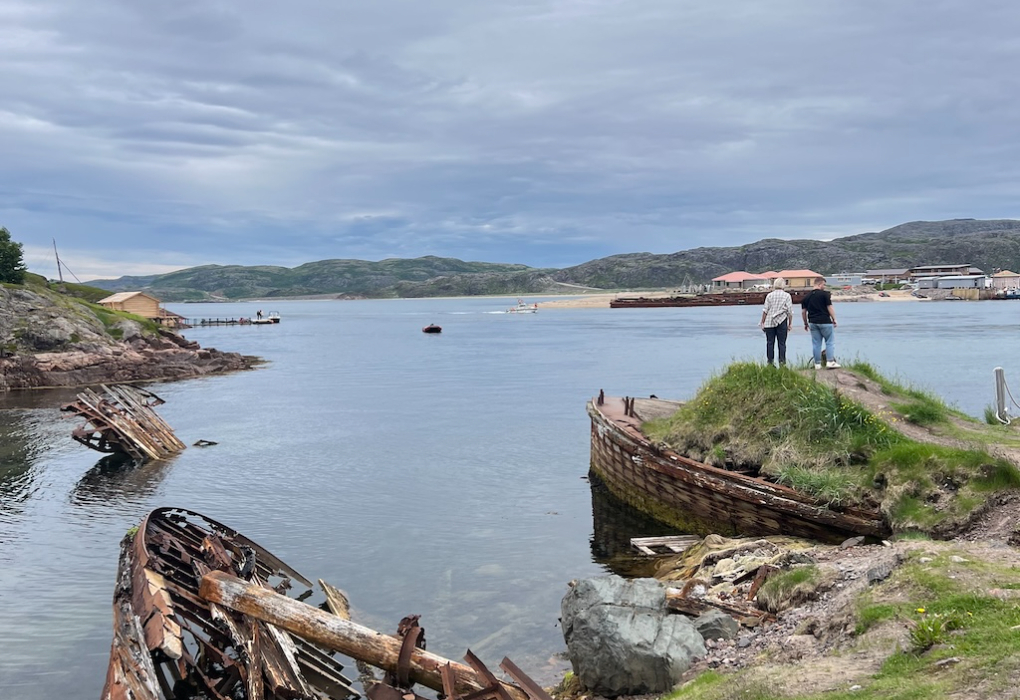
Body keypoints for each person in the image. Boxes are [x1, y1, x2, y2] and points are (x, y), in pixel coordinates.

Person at [801, 277, 840, 369]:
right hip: (825, 321)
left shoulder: (806, 297)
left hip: (813, 322)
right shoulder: (825, 295)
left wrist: (805, 323)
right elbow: (829, 307)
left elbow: (803, 312)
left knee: (816, 343)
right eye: (824, 285)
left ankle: (817, 364)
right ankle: (830, 361)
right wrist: (834, 319)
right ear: (820, 284)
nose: (824, 287)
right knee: (829, 342)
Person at [759, 278, 793, 366]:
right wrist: (790, 324)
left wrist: (762, 322)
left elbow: (765, 310)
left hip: (769, 321)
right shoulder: (787, 296)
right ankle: (782, 362)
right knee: (782, 343)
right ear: (783, 285)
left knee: (770, 342)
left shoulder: (769, 295)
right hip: (782, 321)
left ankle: (770, 363)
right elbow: (790, 312)